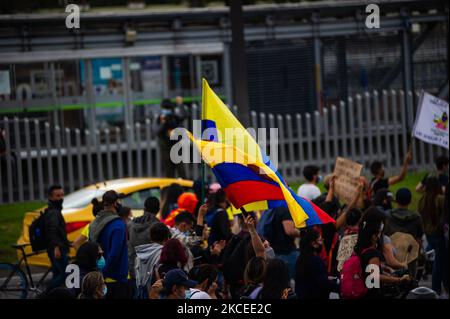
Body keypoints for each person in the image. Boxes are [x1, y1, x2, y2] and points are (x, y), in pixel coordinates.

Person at [353, 207, 411, 299]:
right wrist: (399, 280)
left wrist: (383, 268)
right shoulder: (372, 253)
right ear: (374, 234)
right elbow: (375, 276)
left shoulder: (360, 248)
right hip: (372, 294)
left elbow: (367, 269)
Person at [89, 190, 129, 299]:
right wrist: (103, 275)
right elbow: (115, 254)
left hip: (98, 277)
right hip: (116, 279)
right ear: (115, 203)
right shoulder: (118, 224)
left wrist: (99, 276)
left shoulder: (95, 223)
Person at [418, 176, 447, 295]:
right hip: (439, 234)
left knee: (441, 261)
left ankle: (443, 285)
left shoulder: (422, 200)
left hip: (429, 235)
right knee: (440, 263)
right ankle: (436, 290)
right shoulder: (440, 199)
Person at [295, 228, 336, 299]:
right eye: (320, 240)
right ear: (313, 244)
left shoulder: (300, 258)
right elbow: (323, 283)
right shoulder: (316, 260)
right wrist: (340, 287)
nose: (322, 242)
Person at [135, 222, 171, 298]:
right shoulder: (163, 254)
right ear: (166, 237)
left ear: (150, 236)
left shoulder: (140, 253)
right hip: (155, 294)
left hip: (140, 293)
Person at [44, 185, 70, 292]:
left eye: (62, 195)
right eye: (57, 196)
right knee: (65, 274)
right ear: (51, 197)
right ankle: (45, 294)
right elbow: (52, 230)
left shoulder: (53, 210)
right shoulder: (54, 212)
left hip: (56, 247)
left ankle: (51, 294)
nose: (61, 198)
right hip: (56, 249)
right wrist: (57, 247)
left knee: (57, 274)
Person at [263, 206, 300, 280]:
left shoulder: (270, 210)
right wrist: (304, 233)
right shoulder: (284, 209)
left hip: (273, 254)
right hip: (287, 253)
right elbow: (290, 231)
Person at [128, 196, 160, 281]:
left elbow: (129, 248)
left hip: (134, 269)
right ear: (158, 209)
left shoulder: (131, 224)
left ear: (144, 208)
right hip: (151, 272)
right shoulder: (158, 226)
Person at [153, 98, 186, 178]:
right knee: (169, 172)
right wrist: (163, 123)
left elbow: (184, 116)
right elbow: (156, 131)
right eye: (165, 108)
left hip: (176, 147)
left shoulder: (174, 116)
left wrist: (180, 104)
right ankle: (170, 188)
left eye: (168, 108)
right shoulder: (159, 118)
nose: (167, 111)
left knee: (181, 171)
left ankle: (185, 188)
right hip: (165, 148)